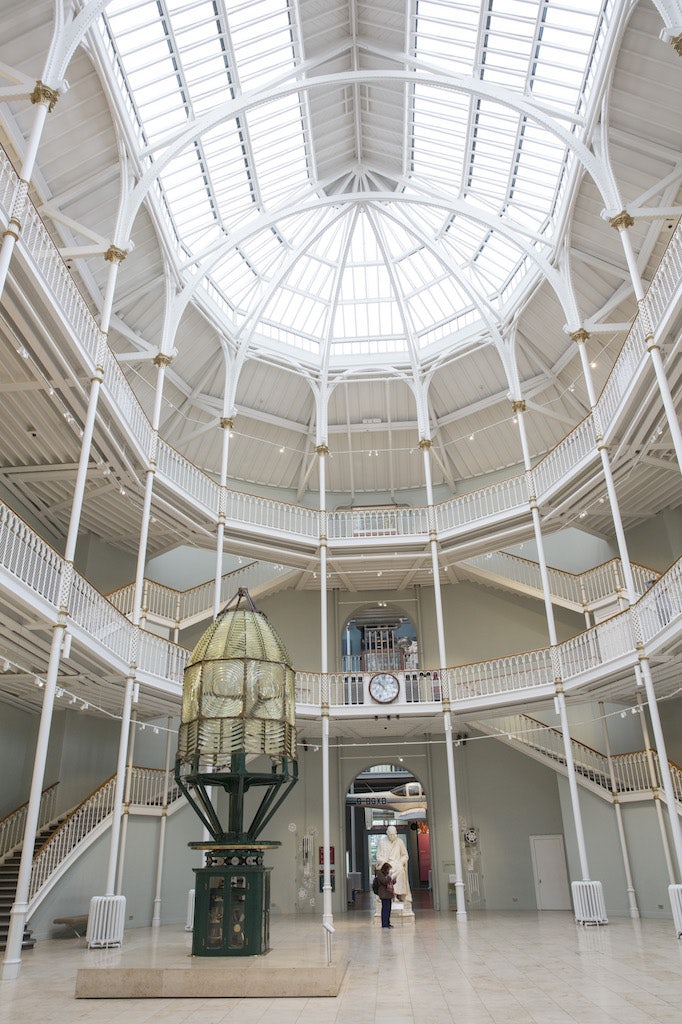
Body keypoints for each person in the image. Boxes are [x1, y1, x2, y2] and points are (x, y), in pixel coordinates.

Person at [376, 825, 412, 912]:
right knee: (389, 872)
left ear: (396, 834)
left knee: (400, 871)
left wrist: (401, 861)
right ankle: (391, 895)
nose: (392, 836)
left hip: (397, 863)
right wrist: (384, 862)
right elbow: (378, 856)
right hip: (386, 864)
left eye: (393, 834)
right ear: (387, 834)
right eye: (390, 834)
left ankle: (397, 894)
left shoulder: (399, 842)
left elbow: (405, 855)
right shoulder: (382, 842)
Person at [375, 862, 394, 928]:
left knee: (388, 909)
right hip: (384, 894)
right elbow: (384, 881)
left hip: (388, 894)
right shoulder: (380, 874)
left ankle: (388, 922)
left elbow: (390, 882)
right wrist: (389, 877)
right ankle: (384, 923)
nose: (389, 870)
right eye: (388, 869)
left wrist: (393, 880)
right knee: (385, 909)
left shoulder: (387, 874)